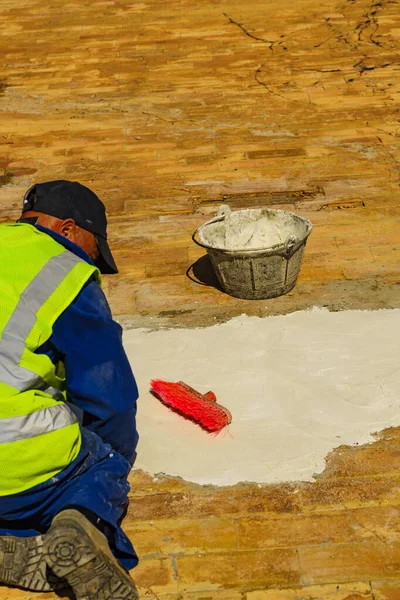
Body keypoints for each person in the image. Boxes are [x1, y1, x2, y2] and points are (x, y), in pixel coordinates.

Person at [0, 181, 139, 599]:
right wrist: (114, 453)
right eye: (93, 247)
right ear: (68, 229)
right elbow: (107, 395)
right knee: (101, 463)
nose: (90, 261)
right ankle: (80, 525)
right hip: (12, 467)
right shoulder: (63, 273)